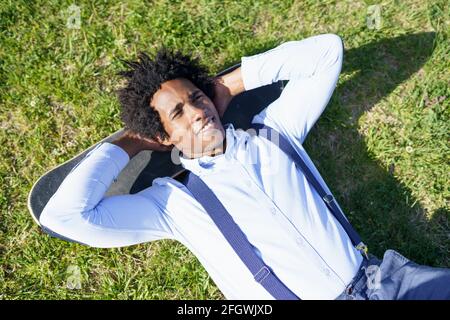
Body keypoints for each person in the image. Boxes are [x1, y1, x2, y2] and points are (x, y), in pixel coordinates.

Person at [39, 33, 450, 300]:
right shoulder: (172, 205)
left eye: (197, 98)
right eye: (178, 114)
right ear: (162, 137)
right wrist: (129, 141)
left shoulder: (274, 132)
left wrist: (227, 86)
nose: (198, 113)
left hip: (390, 282)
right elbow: (65, 216)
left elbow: (327, 52)